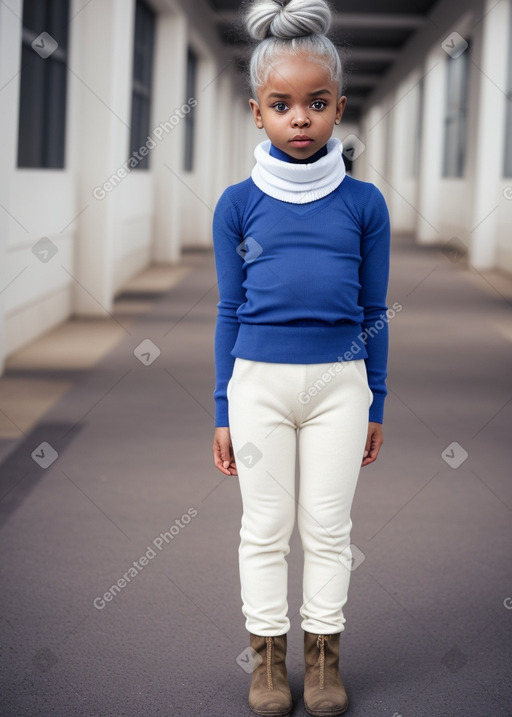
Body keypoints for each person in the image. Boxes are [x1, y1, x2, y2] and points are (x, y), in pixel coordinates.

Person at [211, 1, 390, 715]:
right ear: (258, 112)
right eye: (281, 105)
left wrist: (375, 398)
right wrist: (223, 409)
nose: (300, 119)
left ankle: (322, 661)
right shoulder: (236, 205)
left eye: (316, 104)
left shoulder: (364, 204)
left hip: (340, 389)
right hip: (256, 386)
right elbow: (228, 311)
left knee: (328, 527)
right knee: (264, 526)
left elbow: (375, 312)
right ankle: (266, 660)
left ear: (338, 107)